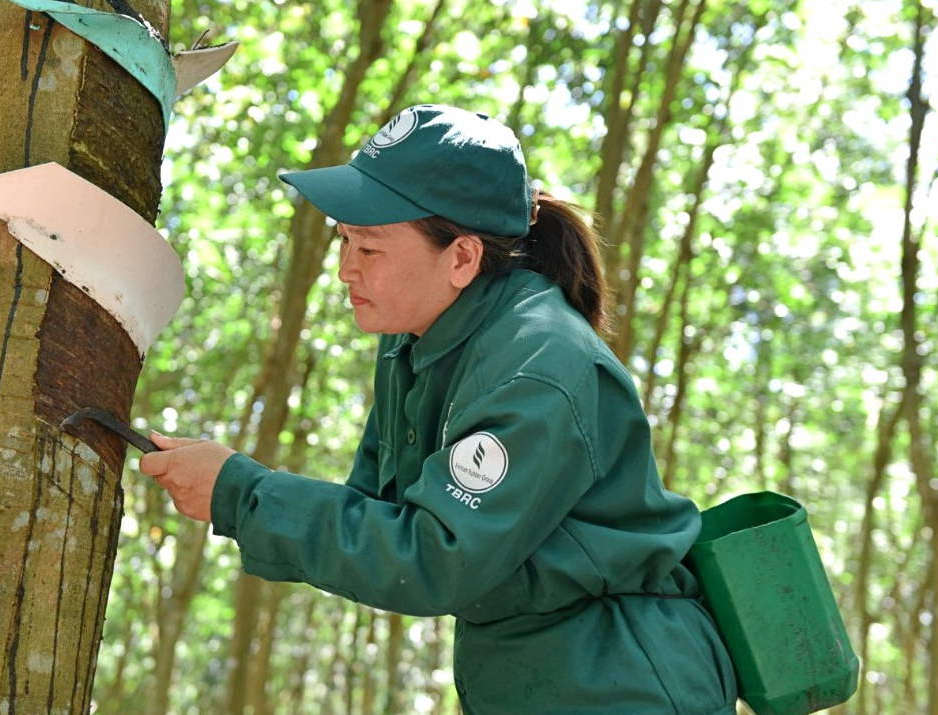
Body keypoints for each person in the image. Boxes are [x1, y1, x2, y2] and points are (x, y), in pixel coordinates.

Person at [140, 104, 737, 715]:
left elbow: (434, 556)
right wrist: (233, 485)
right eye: (343, 240)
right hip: (525, 679)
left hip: (622, 682)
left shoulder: (542, 365)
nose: (344, 271)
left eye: (368, 249)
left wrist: (245, 494)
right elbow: (379, 514)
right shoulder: (413, 341)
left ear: (461, 258)